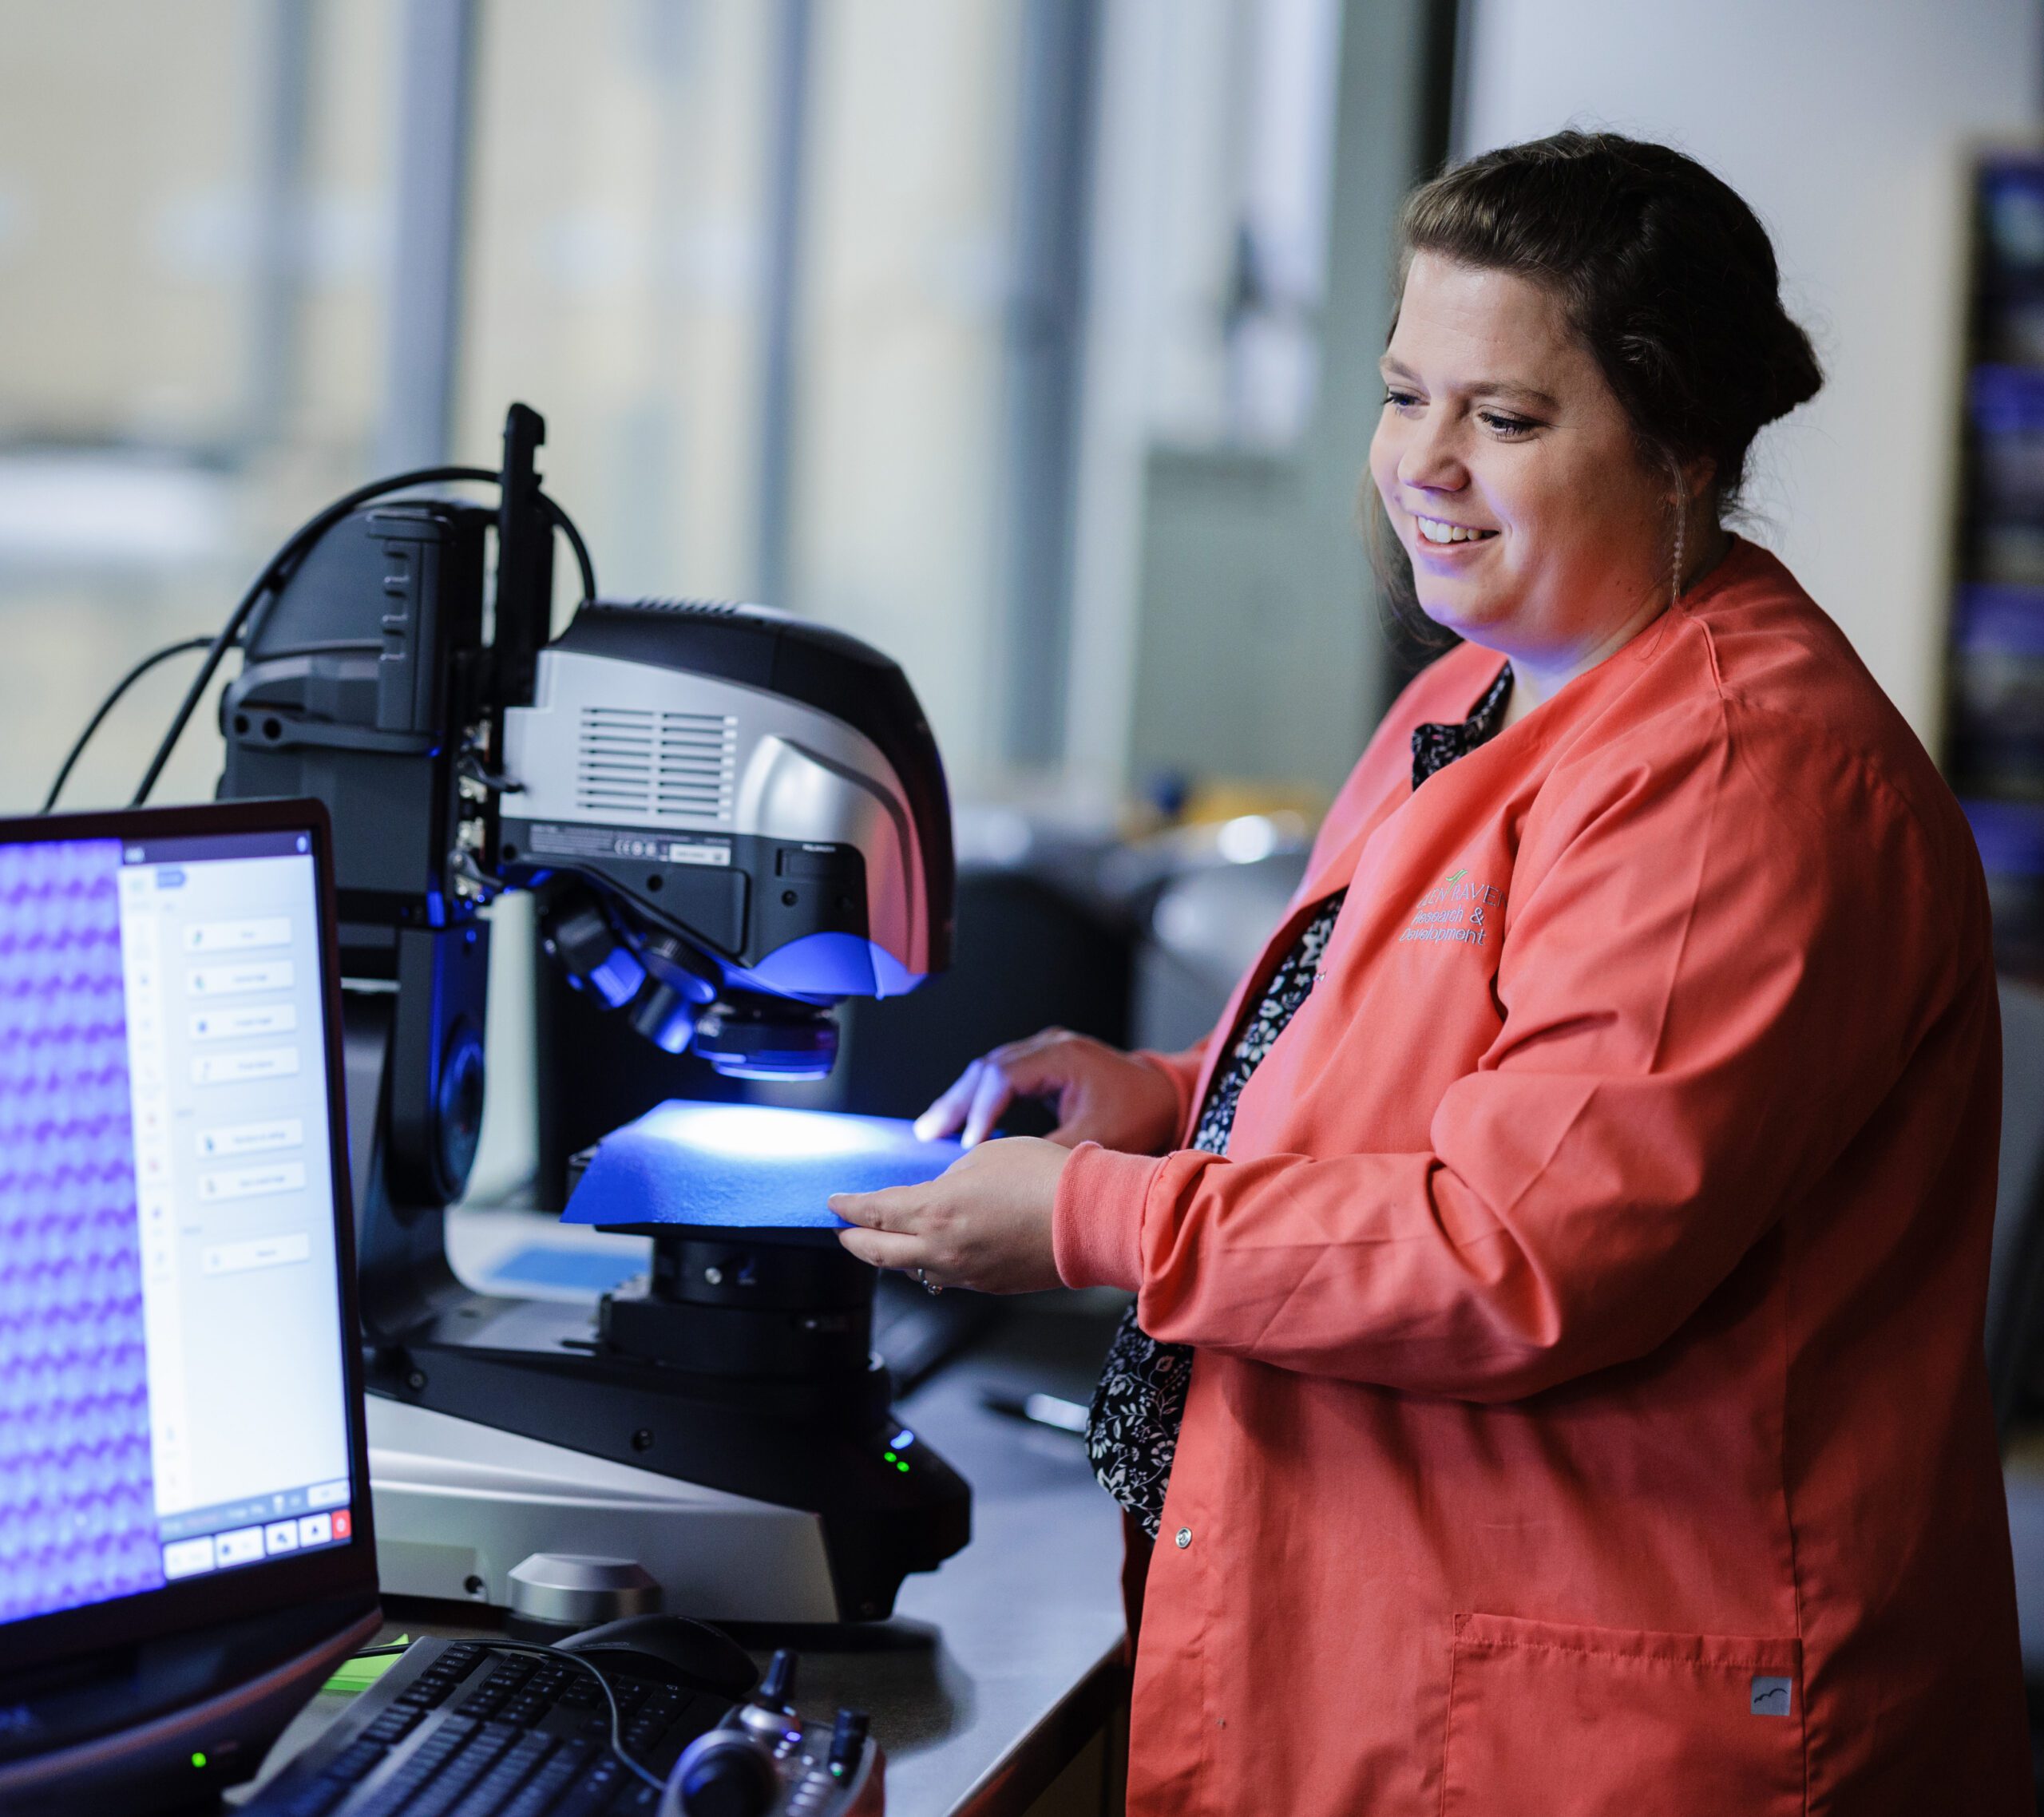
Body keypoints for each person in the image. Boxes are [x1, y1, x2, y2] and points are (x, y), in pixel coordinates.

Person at [830, 132, 2031, 1814]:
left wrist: (1095, 1216)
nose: (1424, 466)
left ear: (1679, 444)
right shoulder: (1483, 691)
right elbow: (1420, 1078)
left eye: (1507, 418)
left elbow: (1515, 1248)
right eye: (1405, 395)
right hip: (1404, 1638)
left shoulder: (1737, 780)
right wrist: (1161, 1104)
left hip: (1625, 1720)